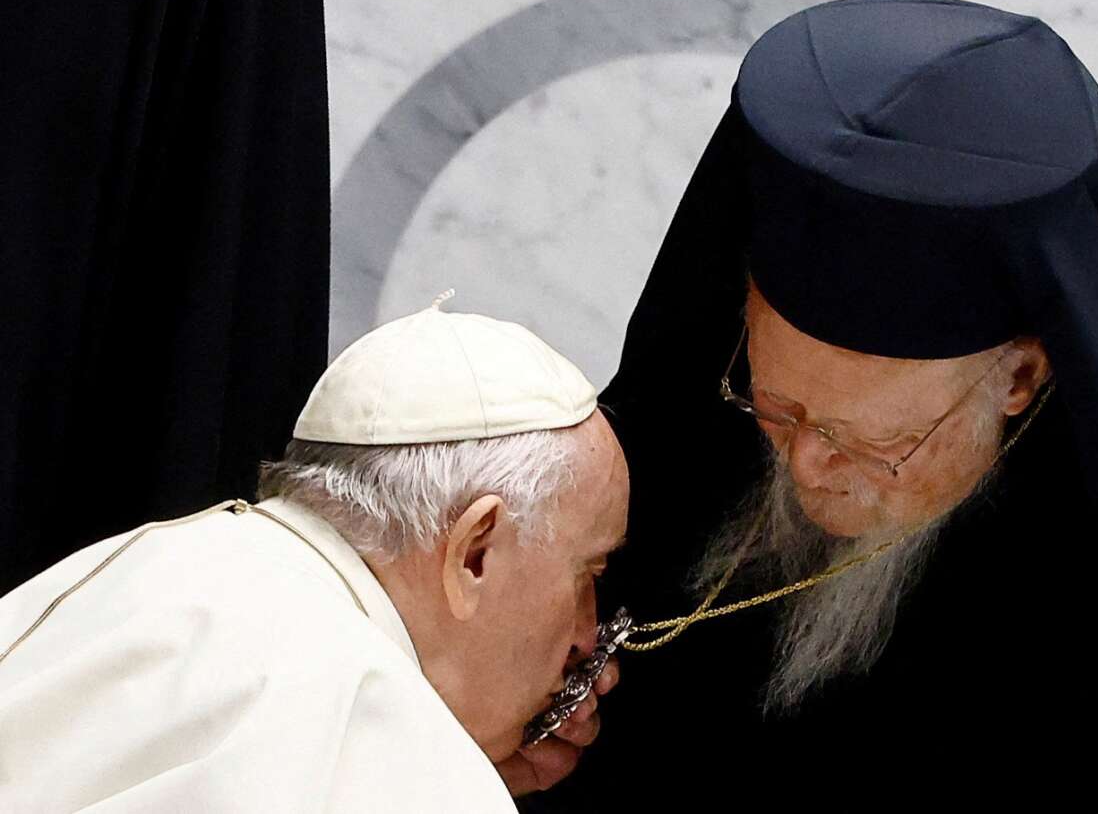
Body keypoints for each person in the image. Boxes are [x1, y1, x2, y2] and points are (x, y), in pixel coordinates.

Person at [527, 0, 1098, 813]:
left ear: (1019, 378)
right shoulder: (684, 436)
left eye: (866, 441)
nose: (804, 463)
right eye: (775, 407)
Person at [0, 300, 629, 811]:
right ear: (475, 551)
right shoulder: (397, 769)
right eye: (588, 573)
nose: (587, 635)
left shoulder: (150, 560)